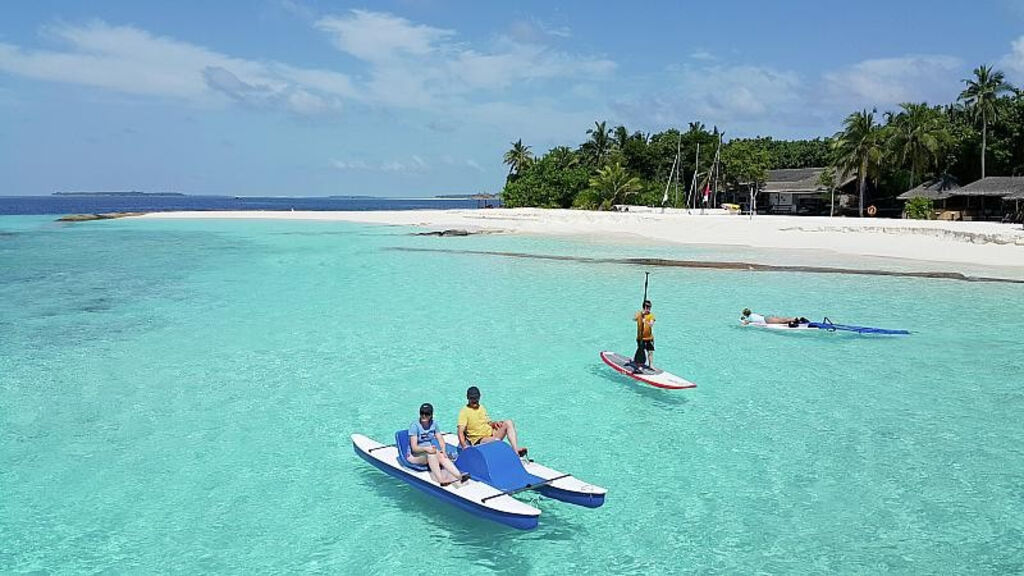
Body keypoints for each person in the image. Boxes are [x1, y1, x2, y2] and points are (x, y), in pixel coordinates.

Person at [408, 403, 468, 487]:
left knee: (441, 455)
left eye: (427, 414)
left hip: (428, 451)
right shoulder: (414, 426)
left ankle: (459, 476)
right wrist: (426, 449)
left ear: (431, 415)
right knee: (432, 454)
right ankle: (441, 479)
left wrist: (443, 450)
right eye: (422, 413)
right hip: (414, 456)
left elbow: (440, 438)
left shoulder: (433, 424)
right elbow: (414, 448)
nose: (424, 416)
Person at [457, 386, 527, 457]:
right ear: (467, 398)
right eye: (472, 398)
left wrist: (494, 424)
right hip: (479, 440)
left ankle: (515, 450)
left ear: (479, 397)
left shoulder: (481, 407)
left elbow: (488, 422)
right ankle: (509, 453)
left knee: (509, 422)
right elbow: (460, 431)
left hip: (491, 434)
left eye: (476, 398)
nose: (474, 400)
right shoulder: (464, 412)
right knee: (496, 442)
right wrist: (464, 447)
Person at [633, 300, 656, 371]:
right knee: (641, 352)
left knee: (650, 352)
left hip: (649, 338)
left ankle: (651, 365)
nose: (649, 309)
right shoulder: (639, 314)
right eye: (647, 307)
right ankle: (639, 366)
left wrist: (645, 321)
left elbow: (651, 324)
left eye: (650, 307)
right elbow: (634, 319)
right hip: (641, 338)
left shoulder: (651, 315)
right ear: (644, 307)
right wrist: (641, 315)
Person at [740, 308, 809, 326]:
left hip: (766, 320)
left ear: (745, 315)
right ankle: (796, 319)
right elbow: (761, 316)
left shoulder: (749, 318)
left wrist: (742, 323)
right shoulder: (754, 314)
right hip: (767, 317)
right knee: (782, 319)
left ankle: (795, 320)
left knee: (781, 322)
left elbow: (746, 322)